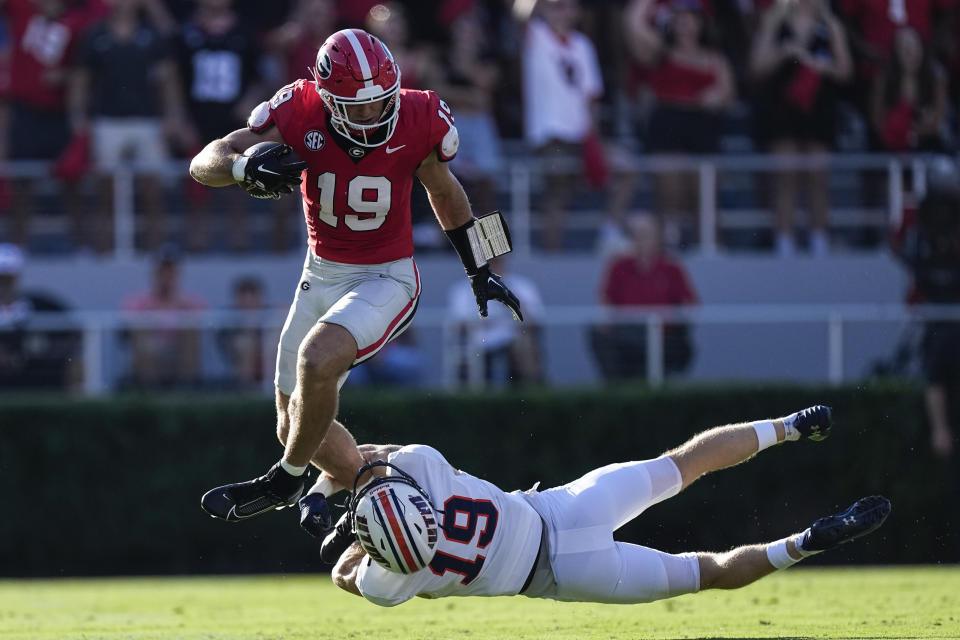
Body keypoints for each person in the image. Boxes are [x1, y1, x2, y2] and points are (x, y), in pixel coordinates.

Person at [189, 28, 524, 528]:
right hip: (320, 273)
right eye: (356, 105)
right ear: (325, 96)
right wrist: (240, 168)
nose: (370, 114)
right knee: (294, 423)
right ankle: (380, 495)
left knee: (316, 359)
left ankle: (287, 480)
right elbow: (202, 162)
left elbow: (448, 193)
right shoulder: (298, 108)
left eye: (379, 102)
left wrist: (483, 266)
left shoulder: (420, 114)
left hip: (387, 277)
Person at [318, 405, 891, 607]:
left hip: (567, 576)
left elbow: (348, 575)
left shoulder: (397, 576)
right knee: (684, 464)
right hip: (566, 509)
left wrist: (356, 539)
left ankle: (800, 544)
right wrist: (332, 494)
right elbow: (366, 454)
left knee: (706, 572)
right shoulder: (421, 466)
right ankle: (788, 427)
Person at [68, 0, 183, 252]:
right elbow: (81, 78)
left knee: (153, 192)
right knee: (106, 193)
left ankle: (157, 251)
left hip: (147, 122)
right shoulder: (95, 35)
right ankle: (105, 251)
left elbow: (168, 79)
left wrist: (173, 116)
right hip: (107, 122)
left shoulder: (152, 35)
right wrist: (78, 117)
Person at [624, 0, 735, 249]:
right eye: (680, 19)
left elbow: (728, 94)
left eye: (691, 19)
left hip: (703, 130)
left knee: (705, 199)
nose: (686, 25)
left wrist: (717, 97)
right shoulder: (660, 52)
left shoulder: (715, 59)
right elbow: (634, 23)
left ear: (702, 24)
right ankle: (668, 252)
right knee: (669, 197)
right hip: (668, 128)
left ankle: (710, 251)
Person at [749, 0, 852, 257]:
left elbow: (845, 71)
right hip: (782, 108)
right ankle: (784, 242)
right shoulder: (774, 21)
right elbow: (757, 66)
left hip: (818, 108)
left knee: (818, 178)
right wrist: (785, 52)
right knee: (785, 177)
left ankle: (819, 241)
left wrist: (819, 65)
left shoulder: (830, 24)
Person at [514, 0, 604, 252]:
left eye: (568, 6)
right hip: (549, 133)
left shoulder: (584, 45)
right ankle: (552, 256)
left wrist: (594, 141)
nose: (563, 12)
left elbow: (591, 97)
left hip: (581, 134)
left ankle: (610, 233)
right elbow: (518, 14)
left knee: (625, 171)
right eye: (556, 5)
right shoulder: (537, 36)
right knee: (557, 197)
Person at [590, 214, 697, 380]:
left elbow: (690, 303)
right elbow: (605, 300)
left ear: (657, 238)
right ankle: (615, 390)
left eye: (647, 235)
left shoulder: (672, 268)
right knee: (596, 332)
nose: (642, 241)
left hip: (664, 336)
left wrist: (677, 316)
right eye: (636, 236)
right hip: (626, 335)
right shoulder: (618, 267)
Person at [447, 255, 544, 387]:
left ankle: (530, 397)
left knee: (526, 346)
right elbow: (460, 325)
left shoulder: (523, 286)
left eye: (496, 262)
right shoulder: (462, 290)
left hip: (513, 339)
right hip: (479, 340)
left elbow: (534, 322)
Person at [121, 245, 206, 388]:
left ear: (178, 275)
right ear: (153, 274)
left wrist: (176, 304)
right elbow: (129, 327)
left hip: (179, 355)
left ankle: (186, 388)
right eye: (162, 272)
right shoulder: (137, 302)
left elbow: (200, 322)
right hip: (149, 354)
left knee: (190, 330)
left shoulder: (191, 303)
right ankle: (149, 389)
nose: (166, 277)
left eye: (170, 272)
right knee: (143, 333)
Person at [0, 243, 80, 389]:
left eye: (7, 279)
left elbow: (75, 330)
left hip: (39, 386)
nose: (3, 284)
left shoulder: (41, 305)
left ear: (16, 278)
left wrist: (49, 353)